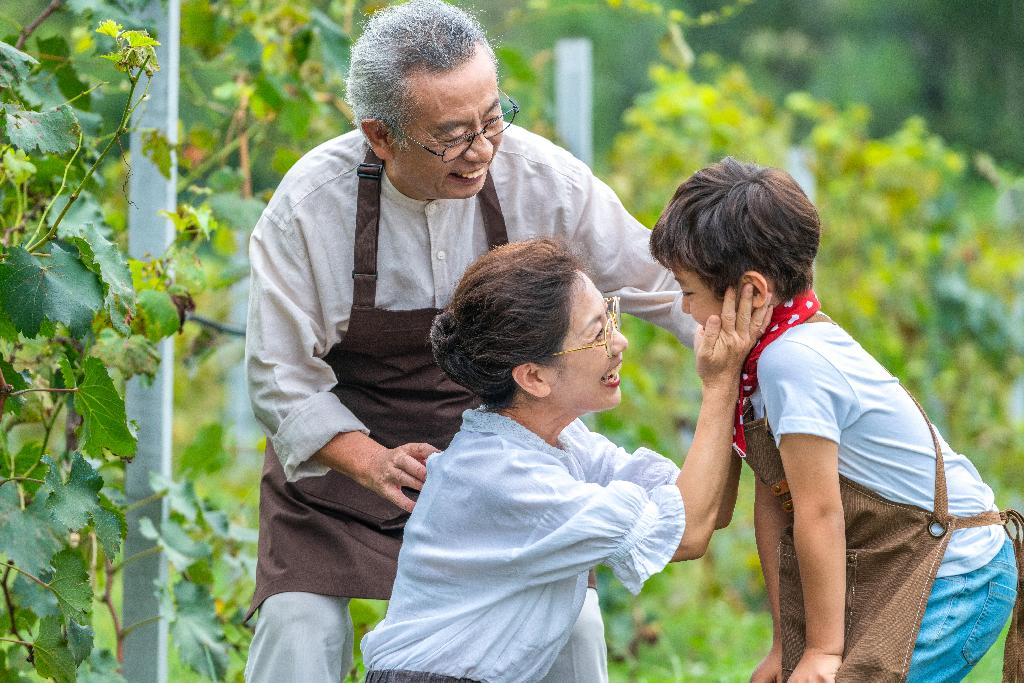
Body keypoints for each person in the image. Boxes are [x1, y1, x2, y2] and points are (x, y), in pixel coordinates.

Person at [242, 1, 698, 680]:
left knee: (575, 626)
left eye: (493, 119)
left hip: (508, 481)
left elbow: (658, 281)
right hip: (345, 485)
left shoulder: (540, 179)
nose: (483, 149)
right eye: (454, 135)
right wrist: (371, 461)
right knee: (300, 626)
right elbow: (280, 375)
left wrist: (756, 357)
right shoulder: (311, 208)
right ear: (381, 136)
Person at [648, 157, 1023, 683]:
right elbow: (776, 511)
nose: (684, 310)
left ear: (752, 292)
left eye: (688, 291)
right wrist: (787, 644)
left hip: (956, 570)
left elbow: (819, 512)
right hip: (909, 564)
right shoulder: (756, 367)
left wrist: (823, 651)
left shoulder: (792, 362)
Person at [360, 238, 767, 682]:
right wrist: (721, 382)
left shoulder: (558, 441)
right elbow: (688, 534)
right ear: (534, 377)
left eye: (609, 317)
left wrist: (736, 381)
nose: (620, 342)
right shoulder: (505, 475)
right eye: (597, 333)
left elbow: (705, 510)